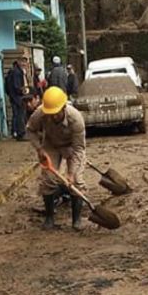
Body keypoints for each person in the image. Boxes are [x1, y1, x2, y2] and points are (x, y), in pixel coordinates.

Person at [27, 87, 87, 231]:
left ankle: (76, 219)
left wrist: (71, 173)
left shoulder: (76, 119)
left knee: (77, 180)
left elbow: (79, 148)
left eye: (56, 113)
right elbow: (30, 130)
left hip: (71, 146)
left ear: (64, 107)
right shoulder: (40, 113)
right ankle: (49, 218)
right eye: (50, 113)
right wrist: (39, 149)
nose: (53, 117)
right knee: (48, 180)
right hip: (51, 145)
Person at [5, 56, 30, 141]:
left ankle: (16, 132)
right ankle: (20, 133)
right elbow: (16, 86)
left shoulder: (19, 71)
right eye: (22, 61)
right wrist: (23, 91)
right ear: (18, 62)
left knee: (18, 114)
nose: (24, 63)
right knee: (19, 115)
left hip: (16, 96)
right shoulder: (16, 72)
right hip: (17, 97)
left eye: (25, 62)